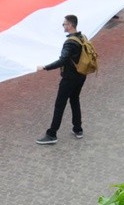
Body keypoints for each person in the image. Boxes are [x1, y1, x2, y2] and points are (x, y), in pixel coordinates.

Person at [36, 15, 88, 144]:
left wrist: (45, 67)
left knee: (60, 104)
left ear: (70, 25)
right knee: (75, 100)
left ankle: (52, 134)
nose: (63, 26)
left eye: (64, 24)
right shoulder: (82, 37)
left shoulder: (70, 42)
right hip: (81, 75)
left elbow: (63, 60)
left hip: (69, 78)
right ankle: (78, 129)